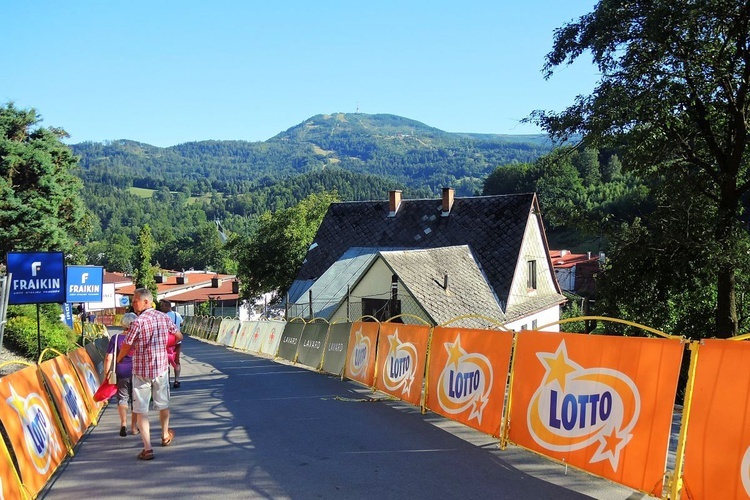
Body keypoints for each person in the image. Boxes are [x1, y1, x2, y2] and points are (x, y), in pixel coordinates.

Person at [117, 288, 182, 461]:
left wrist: (120, 358)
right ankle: (164, 435)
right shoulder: (164, 318)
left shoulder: (137, 323)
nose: (133, 303)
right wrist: (166, 346)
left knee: (141, 410)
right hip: (161, 369)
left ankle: (147, 448)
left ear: (146, 301)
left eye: (135, 300)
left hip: (140, 371)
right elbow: (178, 335)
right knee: (163, 404)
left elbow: (127, 344)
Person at [103, 312, 138, 437]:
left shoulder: (116, 338)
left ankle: (123, 423)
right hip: (137, 372)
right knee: (136, 400)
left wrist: (106, 374)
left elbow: (108, 358)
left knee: (122, 398)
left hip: (121, 372)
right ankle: (134, 427)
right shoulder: (139, 337)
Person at [159, 299, 184, 389]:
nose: (161, 308)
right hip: (177, 341)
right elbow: (181, 323)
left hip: (167, 342)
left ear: (167, 306)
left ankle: (167, 380)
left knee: (166, 362)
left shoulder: (163, 316)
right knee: (176, 361)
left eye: (162, 306)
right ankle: (177, 380)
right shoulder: (177, 315)